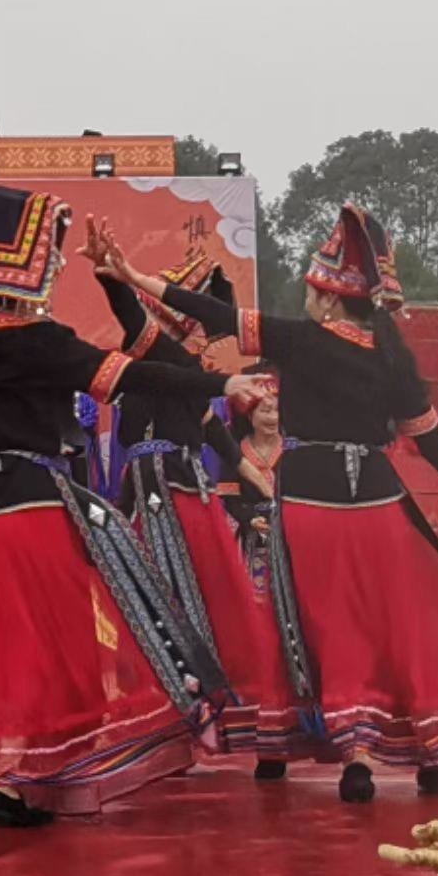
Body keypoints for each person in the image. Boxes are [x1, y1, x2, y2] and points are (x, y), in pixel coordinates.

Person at [171, 205, 438, 800]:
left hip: (312, 503)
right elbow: (429, 435)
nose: (308, 300)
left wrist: (135, 278)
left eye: (313, 290)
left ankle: (355, 751)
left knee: (326, 625)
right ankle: (429, 749)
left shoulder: (300, 340)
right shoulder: (391, 357)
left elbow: (217, 314)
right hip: (381, 507)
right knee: (397, 624)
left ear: (330, 299)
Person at [0, 187, 233, 822]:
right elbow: (142, 375)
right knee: (42, 644)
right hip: (33, 511)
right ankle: (8, 778)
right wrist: (222, 382)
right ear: (38, 279)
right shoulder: (49, 343)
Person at [95, 240, 290, 760]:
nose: (206, 334)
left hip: (178, 488)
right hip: (156, 491)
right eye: (199, 321)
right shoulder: (157, 353)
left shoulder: (182, 367)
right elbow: (132, 319)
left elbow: (208, 427)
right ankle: (182, 702)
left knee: (187, 595)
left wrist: (249, 469)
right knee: (168, 596)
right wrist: (114, 278)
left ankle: (196, 700)